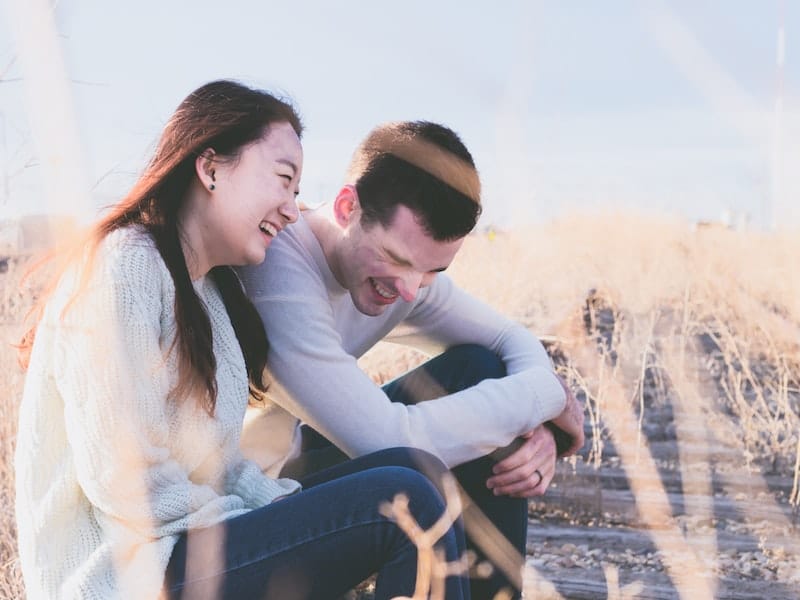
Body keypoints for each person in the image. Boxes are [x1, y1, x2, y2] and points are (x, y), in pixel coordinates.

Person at [14, 81, 469, 599]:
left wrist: (278, 509)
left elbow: (218, 465)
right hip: (126, 576)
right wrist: (259, 521)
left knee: (415, 467)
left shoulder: (206, 295)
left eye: (297, 192)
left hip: (186, 549)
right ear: (210, 168)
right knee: (403, 499)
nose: (293, 209)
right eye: (282, 181)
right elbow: (125, 480)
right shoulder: (124, 266)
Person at [236, 120, 586, 599]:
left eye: (433, 270)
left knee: (480, 369)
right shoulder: (277, 270)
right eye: (396, 259)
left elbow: (510, 338)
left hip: (291, 469)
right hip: (240, 516)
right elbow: (388, 439)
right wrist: (544, 398)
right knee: (420, 472)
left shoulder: (408, 278)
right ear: (346, 207)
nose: (409, 289)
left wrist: (537, 425)